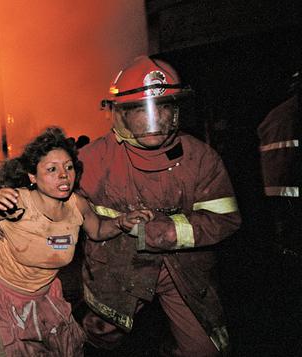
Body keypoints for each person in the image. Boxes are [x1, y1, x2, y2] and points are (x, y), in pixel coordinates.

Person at [78, 56, 241, 356]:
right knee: (99, 341)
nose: (156, 118)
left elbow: (225, 219)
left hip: (184, 271)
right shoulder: (92, 160)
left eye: (164, 107)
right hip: (117, 270)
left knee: (205, 351)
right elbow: (59, 206)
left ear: (175, 110)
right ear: (121, 114)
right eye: (141, 110)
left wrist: (163, 233)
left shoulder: (200, 158)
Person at [0, 126, 152, 356]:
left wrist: (122, 222)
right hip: (1, 293)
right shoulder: (17, 203)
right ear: (32, 177)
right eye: (51, 169)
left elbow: (97, 229)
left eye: (68, 167)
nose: (63, 175)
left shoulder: (76, 205)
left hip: (45, 293)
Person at [257, 71, 300, 255]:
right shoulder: (295, 112)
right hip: (294, 184)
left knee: (285, 228)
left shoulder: (274, 116)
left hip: (274, 187)